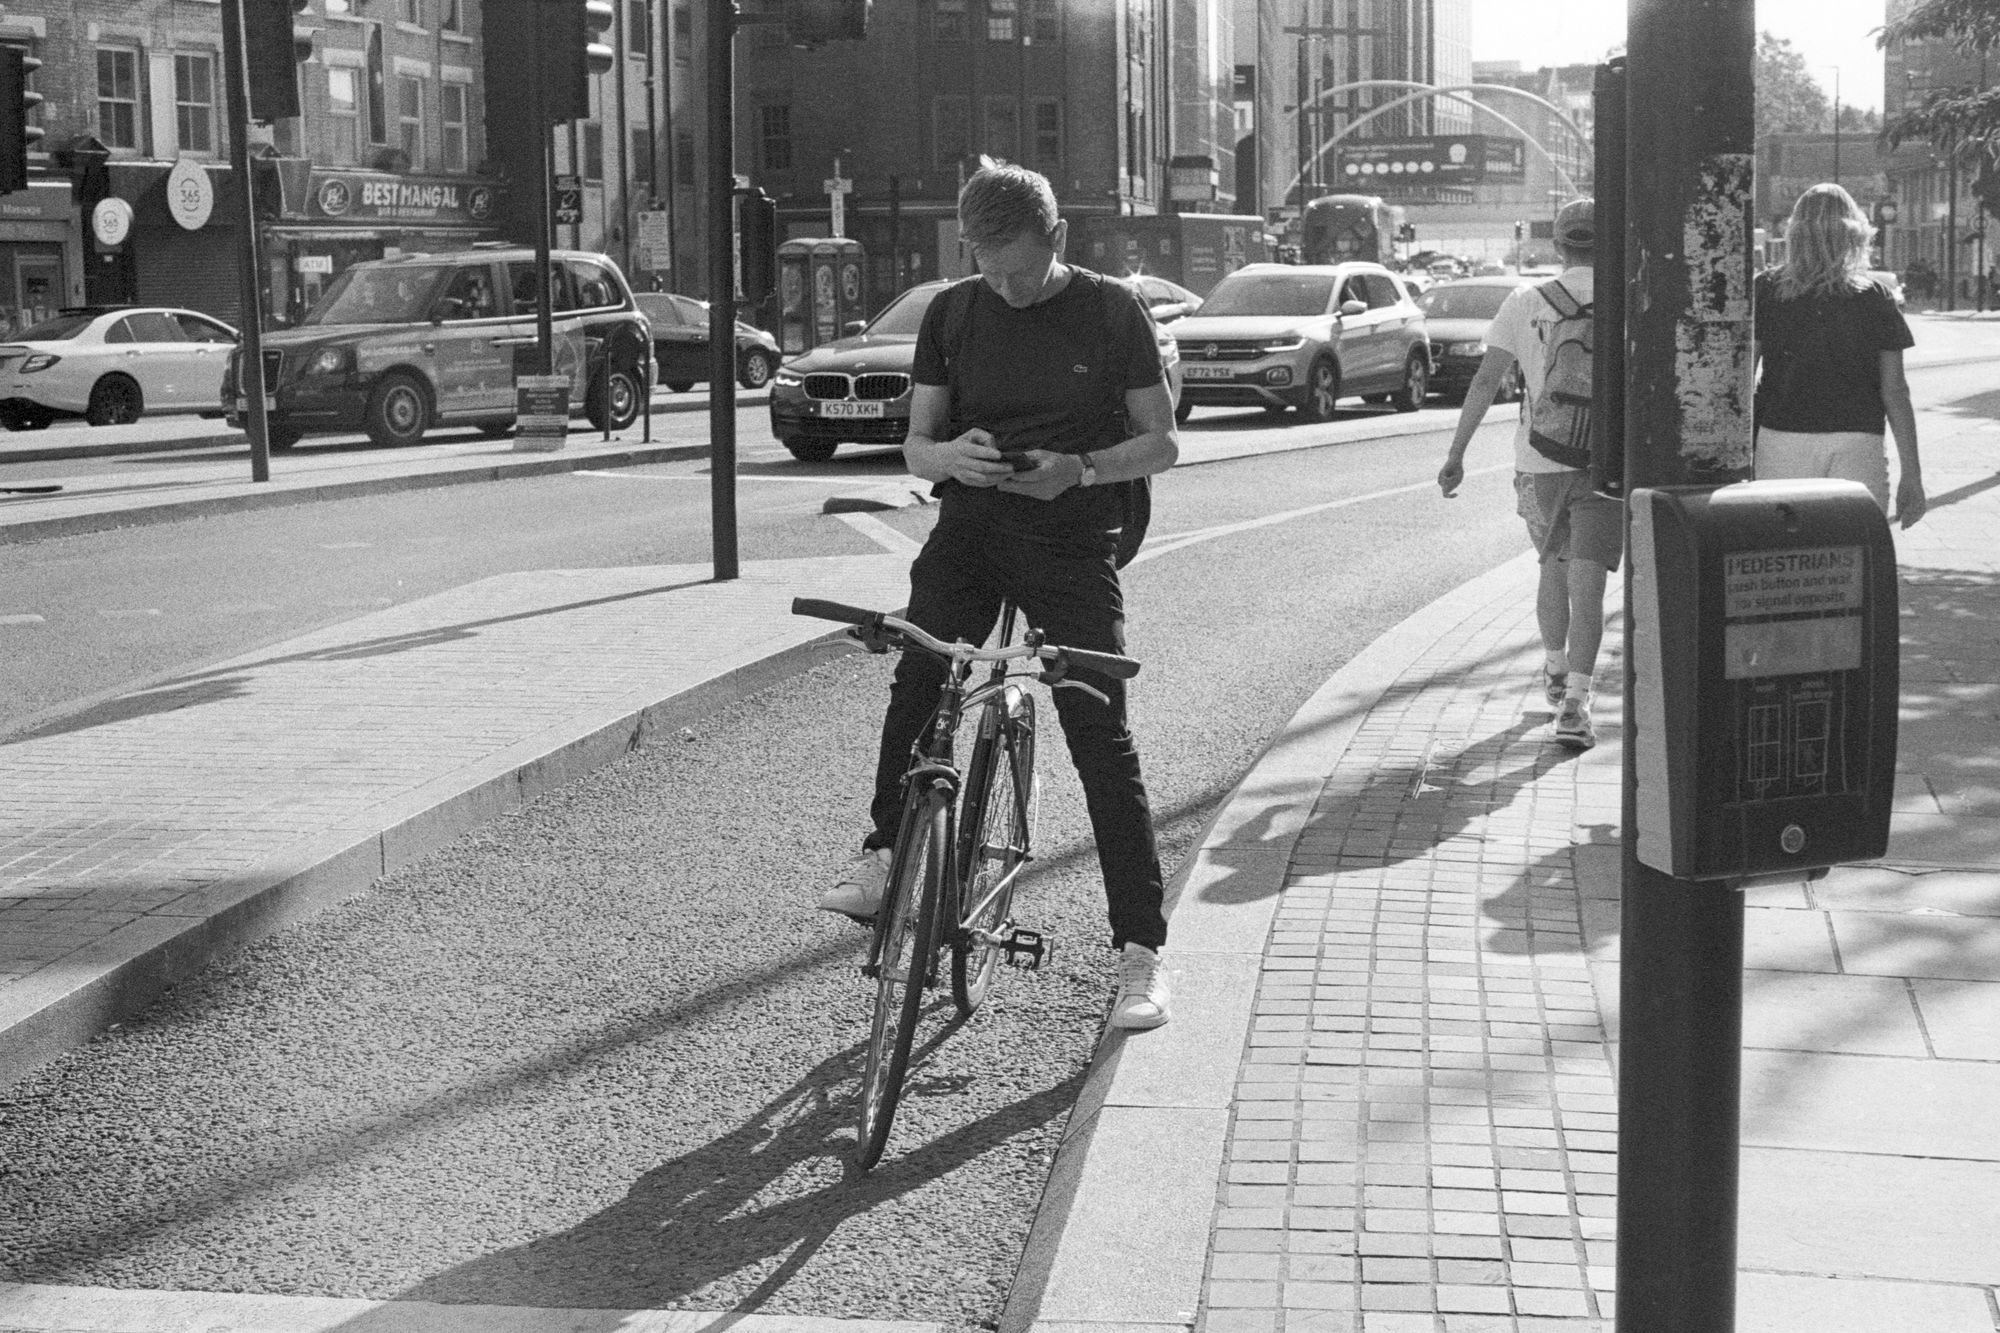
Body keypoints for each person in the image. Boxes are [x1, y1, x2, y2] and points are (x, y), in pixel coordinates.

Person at [817, 161, 1181, 1031]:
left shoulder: (1109, 309)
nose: (1004, 285)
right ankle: (883, 854)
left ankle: (1141, 951)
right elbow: (916, 445)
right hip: (972, 529)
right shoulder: (953, 311)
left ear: (1057, 240)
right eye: (987, 265)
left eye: (1018, 266)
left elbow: (1161, 442)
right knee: (919, 672)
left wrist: (1081, 469)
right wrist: (949, 460)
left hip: (1072, 534)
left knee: (1099, 728)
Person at [1436, 197, 1619, 752]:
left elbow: (1485, 382)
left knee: (1551, 568)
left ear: (1559, 243)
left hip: (1540, 461)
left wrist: (1456, 454)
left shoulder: (1525, 300)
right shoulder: (1626, 301)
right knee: (1589, 587)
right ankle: (1576, 706)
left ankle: (1555, 666)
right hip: (1605, 463)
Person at [1753, 184, 1924, 531]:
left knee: (1783, 559)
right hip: (1858, 441)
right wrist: (1913, 475)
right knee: (1856, 555)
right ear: (1855, 232)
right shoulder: (1875, 296)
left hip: (1781, 439)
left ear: (1795, 233)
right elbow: (1895, 391)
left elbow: (1741, 375)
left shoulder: (1767, 289)